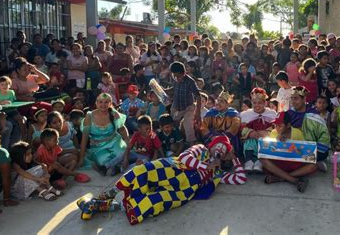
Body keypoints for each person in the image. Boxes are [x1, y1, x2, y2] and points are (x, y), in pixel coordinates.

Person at [76, 135, 246, 225]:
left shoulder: (217, 173)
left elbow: (240, 178)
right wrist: (204, 166)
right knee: (142, 171)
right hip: (171, 169)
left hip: (182, 191)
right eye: (219, 147)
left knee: (152, 203)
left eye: (224, 151)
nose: (220, 151)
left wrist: (234, 158)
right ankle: (107, 194)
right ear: (212, 145)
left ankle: (99, 205)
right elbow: (185, 158)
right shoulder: (201, 149)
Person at [269, 86, 331, 187]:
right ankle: (294, 173)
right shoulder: (288, 113)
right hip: (291, 147)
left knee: (314, 158)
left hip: (310, 148)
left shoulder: (313, 115)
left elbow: (324, 135)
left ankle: (281, 177)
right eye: (292, 98)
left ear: (304, 99)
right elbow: (278, 129)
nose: (293, 101)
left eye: (296, 98)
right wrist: (281, 135)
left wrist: (314, 148)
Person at [79, 93, 129, 176]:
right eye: (100, 102)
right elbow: (84, 139)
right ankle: (114, 167)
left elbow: (123, 130)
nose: (103, 104)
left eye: (106, 102)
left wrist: (128, 143)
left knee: (123, 153)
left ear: (110, 103)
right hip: (98, 146)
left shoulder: (113, 113)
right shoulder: (89, 116)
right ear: (96, 103)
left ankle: (109, 168)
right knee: (103, 160)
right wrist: (81, 159)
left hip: (115, 142)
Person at [240, 88, 276, 172]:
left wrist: (268, 132)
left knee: (265, 142)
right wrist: (250, 132)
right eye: (254, 103)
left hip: (265, 139)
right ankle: (248, 161)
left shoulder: (272, 113)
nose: (257, 105)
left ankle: (259, 161)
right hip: (251, 138)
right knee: (250, 141)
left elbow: (276, 127)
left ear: (265, 103)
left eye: (260, 103)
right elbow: (241, 129)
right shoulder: (246, 114)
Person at [169, 62, 202, 145]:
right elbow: (173, 88)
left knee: (188, 125)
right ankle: (178, 141)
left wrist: (198, 112)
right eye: (175, 76)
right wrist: (164, 91)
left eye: (179, 76)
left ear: (183, 73)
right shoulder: (174, 78)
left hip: (188, 106)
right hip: (176, 106)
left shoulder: (190, 81)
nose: (177, 78)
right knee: (173, 123)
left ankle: (191, 144)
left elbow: (198, 96)